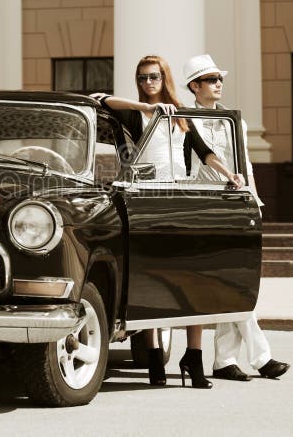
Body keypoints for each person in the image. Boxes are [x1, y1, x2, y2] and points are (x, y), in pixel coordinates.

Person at [91, 55, 244, 389]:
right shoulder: (136, 114)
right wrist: (144, 108)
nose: (148, 83)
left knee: (191, 278)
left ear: (165, 77)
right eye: (143, 78)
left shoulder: (181, 116)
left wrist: (229, 174)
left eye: (154, 77)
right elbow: (99, 100)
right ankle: (155, 356)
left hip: (180, 198)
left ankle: (194, 355)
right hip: (148, 198)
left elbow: (205, 153)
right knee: (154, 277)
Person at [182, 53, 290, 381]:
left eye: (219, 79)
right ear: (195, 86)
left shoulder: (236, 121)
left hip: (236, 202)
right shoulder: (187, 120)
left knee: (236, 281)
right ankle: (261, 358)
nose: (218, 84)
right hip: (204, 204)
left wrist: (254, 200)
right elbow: (196, 157)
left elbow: (246, 164)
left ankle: (225, 361)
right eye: (211, 80)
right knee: (227, 281)